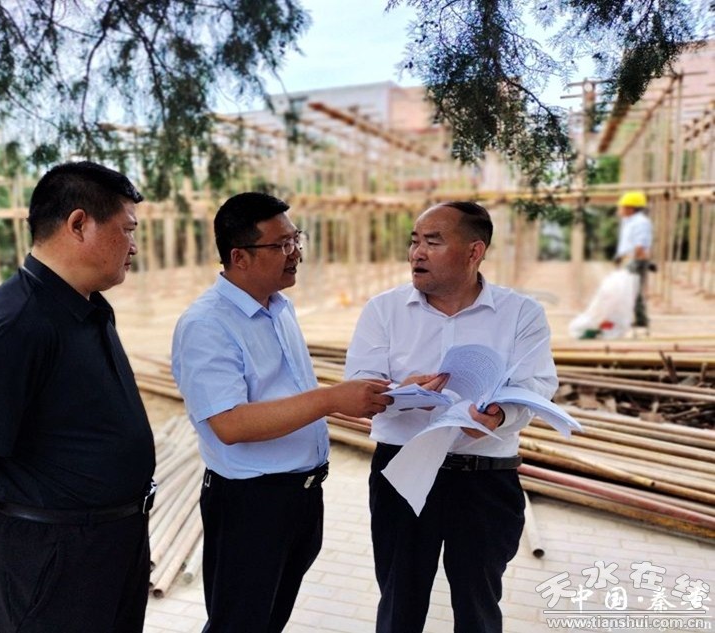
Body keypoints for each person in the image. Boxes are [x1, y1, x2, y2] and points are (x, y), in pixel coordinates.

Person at [0, 161, 156, 633]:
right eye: (127, 230)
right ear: (79, 224)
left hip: (107, 547)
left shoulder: (85, 306)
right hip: (52, 564)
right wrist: (0, 529)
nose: (134, 245)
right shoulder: (15, 326)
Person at [171, 192, 393, 633]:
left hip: (300, 496)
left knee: (269, 620)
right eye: (282, 245)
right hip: (251, 505)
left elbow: (289, 397)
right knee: (239, 624)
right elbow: (230, 423)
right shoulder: (207, 324)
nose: (296, 253)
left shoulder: (277, 308)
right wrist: (331, 400)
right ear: (240, 256)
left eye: (296, 239)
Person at [344, 201, 558, 633]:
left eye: (433, 242)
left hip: (486, 478)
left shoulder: (521, 313)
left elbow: (537, 384)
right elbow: (359, 386)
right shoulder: (384, 310)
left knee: (479, 605)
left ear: (474, 251)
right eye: (414, 242)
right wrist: (404, 391)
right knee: (399, 602)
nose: (417, 253)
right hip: (403, 471)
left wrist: (499, 415)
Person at [614, 190, 653, 329]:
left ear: (630, 208)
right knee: (631, 290)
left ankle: (641, 319)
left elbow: (640, 245)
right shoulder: (629, 222)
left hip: (635, 260)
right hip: (629, 259)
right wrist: (620, 257)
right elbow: (626, 243)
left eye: (622, 207)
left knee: (633, 290)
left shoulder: (641, 222)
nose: (619, 210)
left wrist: (633, 261)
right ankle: (639, 319)